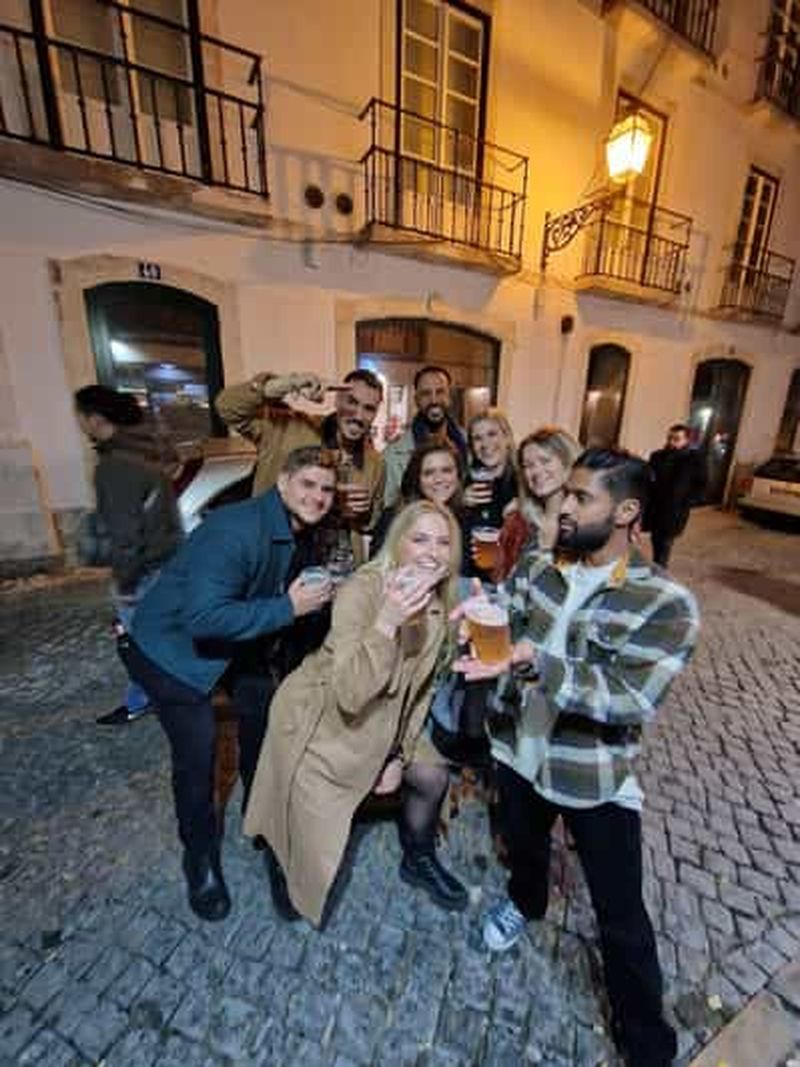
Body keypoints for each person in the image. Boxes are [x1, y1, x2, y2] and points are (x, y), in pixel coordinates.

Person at [455, 448, 699, 1067]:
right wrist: (480, 615)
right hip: (517, 748)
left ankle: (648, 1047)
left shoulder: (665, 602)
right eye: (565, 494)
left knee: (621, 920)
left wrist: (538, 661)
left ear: (626, 511)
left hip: (592, 774)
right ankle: (527, 903)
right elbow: (507, 616)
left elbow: (629, 697)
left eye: (580, 497)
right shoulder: (539, 563)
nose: (562, 506)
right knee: (526, 848)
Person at [125, 447, 337, 922]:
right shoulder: (236, 529)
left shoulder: (303, 529)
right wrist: (288, 609)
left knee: (265, 731)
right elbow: (202, 618)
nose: (318, 497)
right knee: (198, 757)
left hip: (237, 643)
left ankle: (267, 830)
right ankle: (198, 854)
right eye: (307, 484)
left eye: (326, 489)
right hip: (172, 651)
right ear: (282, 483)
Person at [243, 500, 469, 926]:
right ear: (396, 543)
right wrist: (387, 622)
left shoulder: (440, 602)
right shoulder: (361, 591)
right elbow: (350, 694)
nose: (432, 552)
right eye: (419, 538)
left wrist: (398, 756)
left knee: (433, 775)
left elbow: (419, 692)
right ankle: (282, 856)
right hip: (324, 713)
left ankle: (418, 857)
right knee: (310, 802)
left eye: (443, 542)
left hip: (387, 717)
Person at [74, 385, 182, 726]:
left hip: (144, 570)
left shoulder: (115, 466)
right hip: (164, 561)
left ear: (94, 419)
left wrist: (124, 581)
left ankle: (148, 699)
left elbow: (125, 534)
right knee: (159, 638)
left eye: (79, 416)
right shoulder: (145, 449)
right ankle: (151, 696)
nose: (78, 423)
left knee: (139, 643)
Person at [215, 368, 385, 563]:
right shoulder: (291, 428)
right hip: (277, 558)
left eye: (369, 409)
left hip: (341, 567)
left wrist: (364, 512)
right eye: (352, 402)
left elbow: (370, 523)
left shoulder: (375, 462)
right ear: (337, 399)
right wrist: (285, 384)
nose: (359, 415)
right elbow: (226, 407)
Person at [494, 426, 580, 581]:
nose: (536, 471)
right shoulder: (518, 522)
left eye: (545, 461)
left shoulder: (586, 524)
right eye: (528, 466)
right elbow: (502, 579)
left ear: (568, 462)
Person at [382, 365, 467, 508]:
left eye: (440, 392)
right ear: (416, 400)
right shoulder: (392, 454)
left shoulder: (469, 443)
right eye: (426, 393)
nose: (434, 400)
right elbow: (388, 510)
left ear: (449, 396)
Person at [370, 439, 465, 558]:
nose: (439, 479)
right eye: (429, 473)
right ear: (417, 479)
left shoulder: (465, 519)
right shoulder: (394, 518)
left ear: (458, 475)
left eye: (446, 471)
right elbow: (376, 569)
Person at [462, 409, 518, 580]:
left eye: (492, 434)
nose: (485, 444)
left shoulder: (525, 483)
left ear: (507, 438)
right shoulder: (467, 482)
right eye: (477, 438)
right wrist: (460, 504)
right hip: (470, 580)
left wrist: (526, 509)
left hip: (509, 582)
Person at [645, 423, 706, 568]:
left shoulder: (694, 459)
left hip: (674, 512)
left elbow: (702, 485)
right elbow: (648, 478)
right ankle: (656, 571)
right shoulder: (657, 456)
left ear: (686, 440)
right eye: (669, 438)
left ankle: (659, 576)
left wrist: (686, 502)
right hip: (655, 508)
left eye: (676, 439)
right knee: (656, 541)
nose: (671, 442)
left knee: (664, 547)